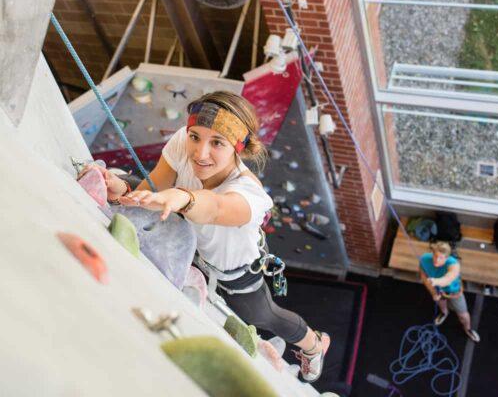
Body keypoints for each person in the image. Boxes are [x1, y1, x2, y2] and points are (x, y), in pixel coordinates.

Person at [91, 91, 330, 382]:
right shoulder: (183, 140)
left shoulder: (251, 197)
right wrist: (124, 194)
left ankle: (315, 344)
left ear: (238, 148)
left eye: (217, 143)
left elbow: (215, 208)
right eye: (196, 137)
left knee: (263, 316)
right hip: (189, 241)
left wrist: (181, 196)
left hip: (234, 271)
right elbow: (154, 191)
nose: (200, 153)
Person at [419, 241, 480, 342]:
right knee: (441, 303)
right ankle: (444, 313)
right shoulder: (424, 259)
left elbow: (448, 279)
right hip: (437, 289)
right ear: (432, 253)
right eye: (435, 256)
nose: (436, 260)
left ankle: (468, 329)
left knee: (462, 315)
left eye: (441, 258)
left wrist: (436, 281)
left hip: (453, 291)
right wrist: (433, 292)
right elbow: (423, 276)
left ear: (447, 258)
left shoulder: (454, 264)